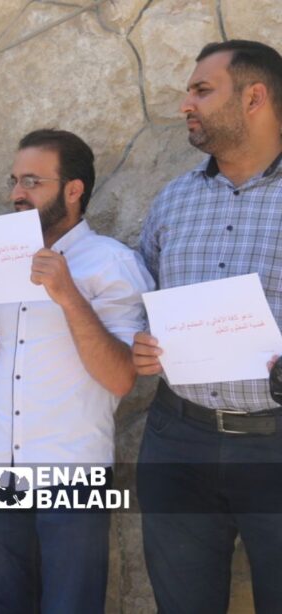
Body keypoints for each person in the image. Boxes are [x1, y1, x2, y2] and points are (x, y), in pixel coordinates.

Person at [0, 129, 153, 614]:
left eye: (32, 181)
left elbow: (121, 378)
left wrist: (68, 293)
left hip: (73, 474)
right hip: (0, 473)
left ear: (72, 190)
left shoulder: (112, 263)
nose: (16, 193)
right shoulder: (6, 264)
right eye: (15, 180)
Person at [132, 40, 282, 613]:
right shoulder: (173, 201)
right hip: (178, 440)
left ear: (254, 97)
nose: (185, 105)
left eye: (201, 90)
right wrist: (139, 344)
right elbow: (143, 302)